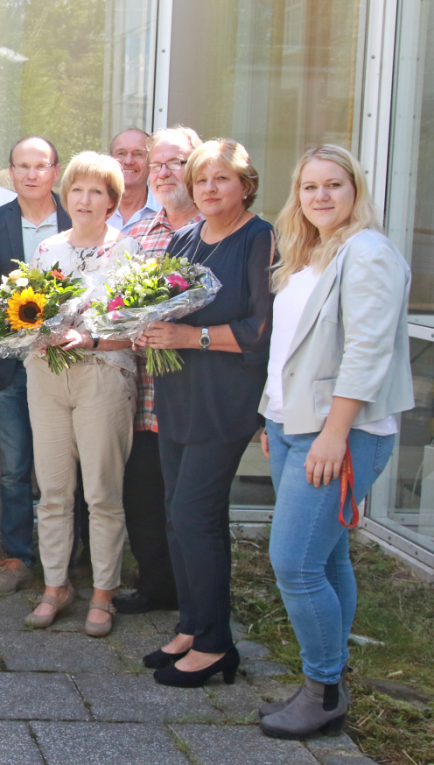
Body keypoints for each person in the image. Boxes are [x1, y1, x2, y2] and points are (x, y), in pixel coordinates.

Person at [257, 145, 412, 738]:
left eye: (334, 185)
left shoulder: (367, 252)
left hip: (340, 432)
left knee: (293, 564)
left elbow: (366, 352)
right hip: (293, 424)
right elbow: (292, 349)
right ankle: (329, 679)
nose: (320, 196)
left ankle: (322, 691)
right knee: (326, 556)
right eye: (309, 187)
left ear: (355, 190)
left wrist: (333, 435)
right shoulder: (310, 252)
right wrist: (274, 416)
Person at [140, 139, 275, 686]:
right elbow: (167, 305)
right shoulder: (186, 239)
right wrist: (141, 324)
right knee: (179, 516)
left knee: (196, 516)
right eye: (201, 181)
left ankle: (218, 644)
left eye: (222, 179)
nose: (210, 189)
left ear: (246, 184)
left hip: (225, 400)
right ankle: (194, 627)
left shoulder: (259, 238)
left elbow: (260, 332)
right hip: (176, 395)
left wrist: (188, 336)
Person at [22, 151, 141, 637]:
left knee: (101, 493)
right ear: (64, 196)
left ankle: (103, 593)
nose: (85, 199)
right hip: (47, 375)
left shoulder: (129, 251)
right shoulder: (47, 250)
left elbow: (137, 327)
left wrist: (90, 339)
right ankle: (55, 587)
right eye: (77, 190)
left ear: (112, 201)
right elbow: (26, 312)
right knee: (52, 490)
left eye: (96, 191)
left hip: (103, 375)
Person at [113, 125, 204, 615]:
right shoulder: (138, 231)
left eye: (177, 162)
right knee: (143, 493)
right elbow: (112, 298)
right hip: (139, 389)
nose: (164, 172)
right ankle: (156, 587)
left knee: (187, 503)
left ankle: (195, 594)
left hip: (191, 386)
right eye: (158, 163)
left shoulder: (213, 232)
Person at [0, 136, 71, 596]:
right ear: (10, 173)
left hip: (68, 364)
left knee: (63, 466)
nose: (32, 174)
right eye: (22, 167)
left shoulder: (78, 219)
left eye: (41, 165)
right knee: (14, 468)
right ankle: (18, 556)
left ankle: (67, 559)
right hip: (9, 367)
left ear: (56, 170)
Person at [107, 127, 159, 230]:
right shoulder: (90, 208)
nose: (128, 161)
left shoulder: (167, 212)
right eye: (121, 153)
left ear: (152, 162)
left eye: (138, 154)